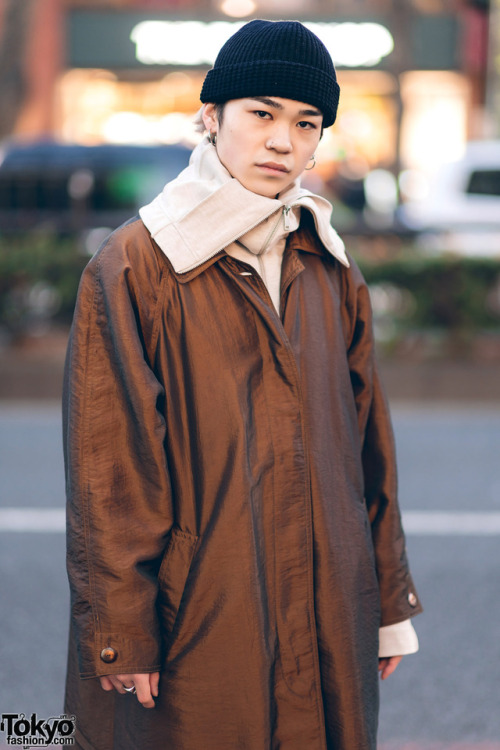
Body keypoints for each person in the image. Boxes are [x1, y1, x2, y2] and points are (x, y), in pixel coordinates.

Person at [63, 19, 422, 750]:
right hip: (198, 610)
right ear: (210, 116)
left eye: (306, 122)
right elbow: (111, 468)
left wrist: (385, 600)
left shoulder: (327, 263)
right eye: (261, 113)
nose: (283, 141)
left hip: (328, 601)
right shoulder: (138, 263)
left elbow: (366, 451)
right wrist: (121, 628)